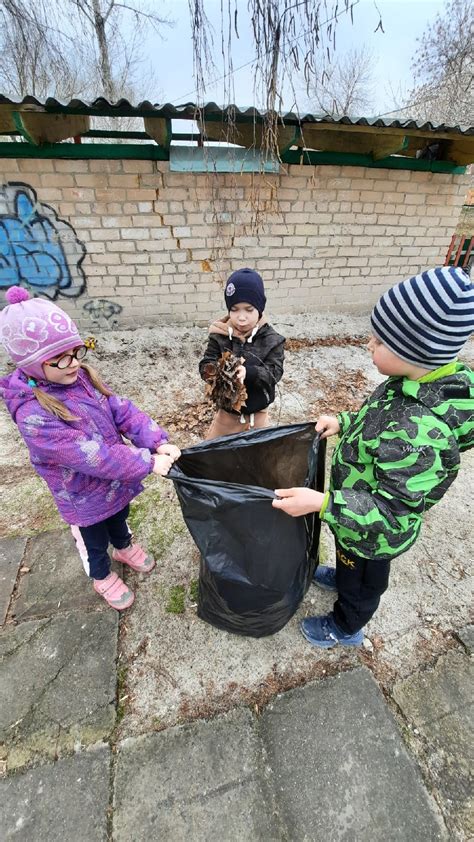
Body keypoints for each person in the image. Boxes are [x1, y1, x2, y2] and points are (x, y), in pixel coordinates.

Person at [272, 266, 474, 648]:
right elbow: (376, 422)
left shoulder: (423, 435)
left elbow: (393, 513)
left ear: (416, 350)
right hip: (353, 519)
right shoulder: (409, 382)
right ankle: (346, 574)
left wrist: (324, 503)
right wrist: (345, 422)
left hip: (373, 537)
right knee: (351, 565)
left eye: (380, 341)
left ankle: (346, 626)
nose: (369, 345)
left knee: (364, 585)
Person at [0, 286, 181, 611]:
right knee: (93, 538)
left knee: (120, 517)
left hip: (114, 481)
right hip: (81, 494)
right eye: (60, 359)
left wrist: (157, 440)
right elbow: (89, 455)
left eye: (76, 351)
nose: (73, 363)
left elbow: (120, 409)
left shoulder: (80, 377)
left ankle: (123, 546)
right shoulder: (33, 415)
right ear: (32, 365)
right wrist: (146, 460)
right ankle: (100, 575)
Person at [199, 268, 285, 438]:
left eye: (249, 309)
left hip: (258, 417)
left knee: (257, 460)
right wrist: (213, 370)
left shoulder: (272, 340)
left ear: (260, 309)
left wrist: (250, 373)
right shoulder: (219, 335)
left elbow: (275, 372)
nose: (241, 317)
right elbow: (206, 362)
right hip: (227, 416)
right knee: (213, 455)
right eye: (235, 309)